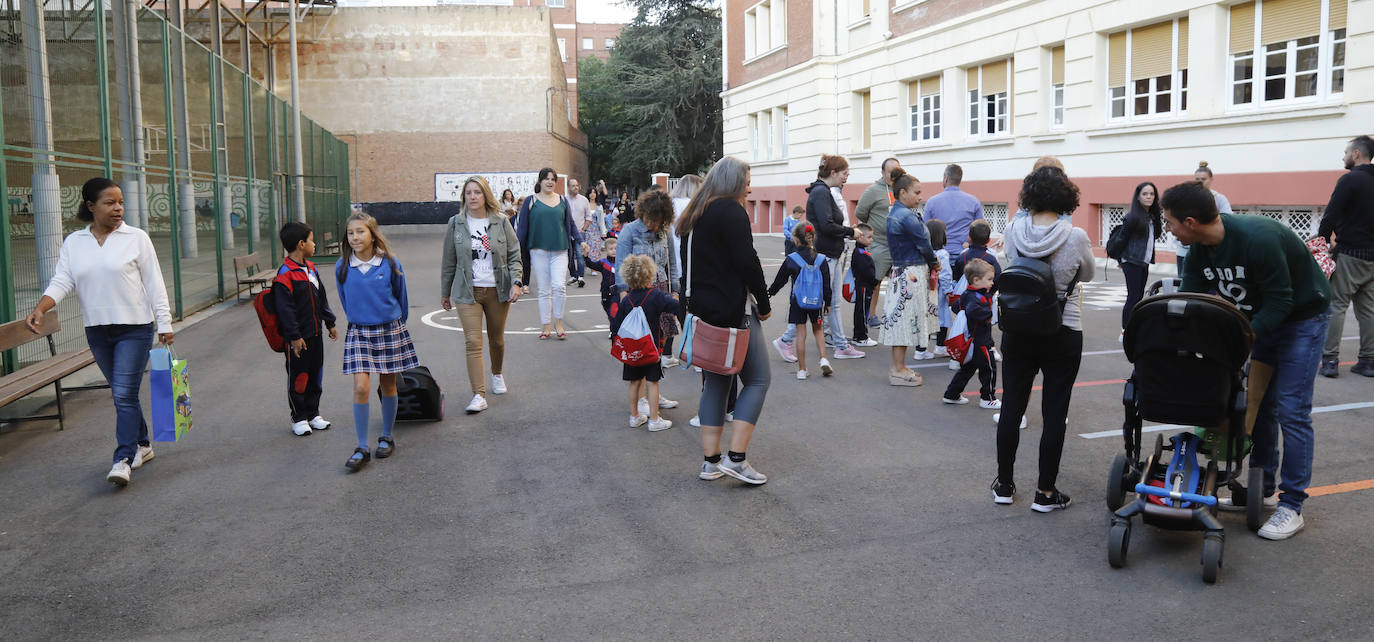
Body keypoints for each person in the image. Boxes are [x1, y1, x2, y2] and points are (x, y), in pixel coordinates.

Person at [1164, 181, 1331, 540]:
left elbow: (1282, 301)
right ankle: (1264, 490)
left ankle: (1292, 506)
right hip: (1262, 320)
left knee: (1291, 409)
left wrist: (1240, 341)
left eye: (1170, 222)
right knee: (1259, 406)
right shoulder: (1199, 251)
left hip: (1303, 318)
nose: (1168, 229)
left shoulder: (1258, 238)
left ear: (1190, 221)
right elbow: (1191, 301)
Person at [25, 177, 173, 487]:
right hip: (97, 330)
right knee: (125, 394)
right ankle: (143, 444)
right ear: (91, 206)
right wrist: (41, 307)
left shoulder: (137, 238)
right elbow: (63, 280)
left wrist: (164, 322)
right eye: (110, 203)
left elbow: (154, 283)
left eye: (120, 202)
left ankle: (122, 458)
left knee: (122, 394)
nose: (118, 208)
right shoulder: (74, 242)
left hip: (135, 328)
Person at [992, 166, 1094, 512]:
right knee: (1055, 412)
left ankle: (1004, 485)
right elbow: (1089, 273)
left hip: (1019, 328)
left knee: (1011, 407)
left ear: (1028, 196)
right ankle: (1045, 492)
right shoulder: (1075, 235)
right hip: (1062, 328)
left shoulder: (1013, 229)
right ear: (1067, 198)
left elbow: (1010, 264)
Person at [677, 156, 772, 485]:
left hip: (703, 312)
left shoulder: (696, 212)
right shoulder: (732, 211)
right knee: (758, 380)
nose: (750, 186)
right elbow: (748, 260)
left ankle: (710, 462)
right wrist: (764, 300)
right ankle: (737, 459)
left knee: (717, 383)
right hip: (733, 311)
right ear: (732, 181)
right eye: (747, 179)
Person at [336, 212, 419, 472]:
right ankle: (362, 446)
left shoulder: (390, 263)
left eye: (360, 232)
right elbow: (344, 299)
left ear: (373, 235)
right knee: (361, 387)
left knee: (388, 384)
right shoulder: (342, 266)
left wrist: (396, 322)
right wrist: (358, 318)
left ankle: (386, 436)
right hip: (359, 331)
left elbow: (401, 297)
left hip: (388, 329)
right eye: (350, 233)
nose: (355, 237)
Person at [440, 176, 524, 414]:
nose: (473, 197)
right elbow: (449, 261)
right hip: (467, 291)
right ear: (464, 197)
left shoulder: (500, 221)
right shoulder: (456, 223)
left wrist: (516, 283)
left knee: (496, 339)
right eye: (469, 193)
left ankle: (497, 373)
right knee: (473, 342)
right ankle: (478, 394)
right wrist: (445, 292)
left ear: (485, 195)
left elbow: (514, 254)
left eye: (477, 192)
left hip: (498, 289)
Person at [772, 155, 867, 364]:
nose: (846, 177)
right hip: (825, 256)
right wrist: (850, 231)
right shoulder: (821, 193)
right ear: (833, 173)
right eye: (844, 174)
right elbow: (826, 225)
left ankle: (836, 344)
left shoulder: (822, 192)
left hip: (827, 255)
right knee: (821, 302)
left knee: (824, 302)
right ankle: (793, 340)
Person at [616, 189, 682, 411]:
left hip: (661, 294)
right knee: (642, 347)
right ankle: (644, 399)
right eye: (654, 219)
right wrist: (625, 297)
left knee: (658, 346)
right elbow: (620, 268)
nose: (656, 224)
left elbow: (672, 264)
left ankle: (653, 394)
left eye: (661, 220)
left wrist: (675, 292)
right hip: (638, 297)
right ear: (644, 213)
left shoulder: (665, 231)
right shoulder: (629, 232)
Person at [272, 221, 339, 437]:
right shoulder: (285, 275)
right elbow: (285, 311)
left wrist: (330, 322)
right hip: (297, 340)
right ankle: (299, 417)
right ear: (301, 244)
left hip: (316, 335)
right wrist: (294, 337)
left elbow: (322, 298)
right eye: (311, 240)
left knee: (315, 375)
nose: (314, 244)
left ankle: (313, 413)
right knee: (299, 378)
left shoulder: (311, 269)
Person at [1318, 135, 1374, 378]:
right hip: (1373, 256)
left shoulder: (1350, 180)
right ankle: (1369, 361)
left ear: (1357, 154)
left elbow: (1331, 214)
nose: (1344, 156)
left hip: (1350, 252)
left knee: (1337, 305)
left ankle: (1330, 361)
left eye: (1346, 152)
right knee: (1369, 309)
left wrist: (1320, 242)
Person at [880, 168, 939, 386]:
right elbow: (923, 243)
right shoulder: (904, 216)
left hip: (904, 273)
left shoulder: (899, 213)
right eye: (917, 192)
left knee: (905, 322)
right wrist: (934, 262)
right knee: (905, 322)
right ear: (903, 192)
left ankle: (899, 366)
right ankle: (897, 369)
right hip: (910, 274)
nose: (920, 196)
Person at [516, 167, 588, 340]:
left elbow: (570, 224)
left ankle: (559, 322)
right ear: (540, 181)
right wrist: (515, 250)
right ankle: (545, 325)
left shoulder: (563, 201)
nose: (550, 182)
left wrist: (581, 241)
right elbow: (522, 229)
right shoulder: (530, 201)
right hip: (538, 251)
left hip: (560, 250)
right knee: (544, 290)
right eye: (546, 179)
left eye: (553, 179)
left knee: (559, 286)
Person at [611, 255, 681, 432]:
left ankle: (634, 416)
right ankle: (654, 419)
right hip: (651, 348)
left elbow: (616, 324)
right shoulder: (655, 296)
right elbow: (674, 307)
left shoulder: (626, 300)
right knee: (652, 382)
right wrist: (676, 297)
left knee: (634, 382)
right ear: (650, 275)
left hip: (632, 350)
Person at [768, 223, 833, 380]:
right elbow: (826, 283)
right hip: (816, 302)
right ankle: (824, 358)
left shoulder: (792, 259)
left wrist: (770, 293)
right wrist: (828, 302)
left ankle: (802, 370)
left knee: (801, 334)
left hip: (798, 302)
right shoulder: (821, 259)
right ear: (813, 237)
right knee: (818, 330)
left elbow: (779, 281)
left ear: (795, 239)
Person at [942, 258, 999, 409]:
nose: (992, 283)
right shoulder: (977, 297)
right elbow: (973, 310)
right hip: (980, 341)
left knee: (967, 369)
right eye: (989, 279)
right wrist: (987, 314)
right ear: (976, 280)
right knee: (989, 369)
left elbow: (956, 306)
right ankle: (988, 397)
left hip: (972, 340)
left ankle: (951, 394)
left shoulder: (967, 293)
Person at [856, 157, 901, 322]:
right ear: (883, 172)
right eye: (891, 172)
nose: (894, 176)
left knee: (898, 283)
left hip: (897, 246)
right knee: (874, 281)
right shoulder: (873, 191)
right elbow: (861, 213)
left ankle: (890, 314)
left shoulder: (901, 189)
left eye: (897, 172)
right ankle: (870, 315)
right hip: (879, 244)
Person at [1119, 182, 1164, 338]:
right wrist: (1120, 259)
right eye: (1145, 194)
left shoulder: (1151, 217)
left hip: (1143, 262)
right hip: (1131, 261)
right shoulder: (1132, 217)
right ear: (1138, 197)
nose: (1149, 197)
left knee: (1138, 296)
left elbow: (1154, 237)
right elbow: (1121, 239)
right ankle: (1125, 331)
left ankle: (1134, 327)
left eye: (1152, 194)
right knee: (1133, 296)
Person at [1177, 161, 1234, 275]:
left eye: (1203, 179)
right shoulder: (1186, 198)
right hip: (1185, 251)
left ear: (1211, 179)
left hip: (1209, 251)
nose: (1200, 183)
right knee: (1185, 285)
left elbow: (1228, 220)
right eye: (1197, 180)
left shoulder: (1219, 199)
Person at [924, 164, 985, 255]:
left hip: (939, 255)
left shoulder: (931, 202)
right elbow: (981, 230)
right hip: (965, 254)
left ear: (946, 179)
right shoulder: (973, 201)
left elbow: (925, 231)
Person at [924, 218, 954, 361]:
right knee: (942, 317)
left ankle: (921, 349)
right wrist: (949, 291)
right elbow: (946, 274)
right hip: (938, 290)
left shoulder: (923, 252)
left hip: (924, 289)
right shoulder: (942, 254)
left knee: (926, 317)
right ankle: (940, 347)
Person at [849, 223, 880, 347]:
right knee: (862, 312)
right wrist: (874, 281)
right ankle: (861, 337)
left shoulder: (861, 251)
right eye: (869, 237)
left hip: (864, 286)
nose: (871, 239)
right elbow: (866, 272)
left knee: (862, 311)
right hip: (863, 286)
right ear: (860, 237)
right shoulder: (861, 254)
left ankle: (858, 335)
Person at [565, 178, 596, 288]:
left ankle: (581, 277)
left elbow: (589, 216)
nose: (576, 187)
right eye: (573, 185)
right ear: (568, 187)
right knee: (569, 256)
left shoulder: (584, 200)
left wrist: (584, 229)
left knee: (579, 255)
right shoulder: (563, 200)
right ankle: (574, 275)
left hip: (580, 232)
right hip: (567, 233)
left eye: (577, 185)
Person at [953, 219, 1002, 285]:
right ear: (988, 240)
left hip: (965, 292)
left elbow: (956, 277)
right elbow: (997, 277)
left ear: (969, 238)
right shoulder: (992, 257)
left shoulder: (962, 256)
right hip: (985, 293)